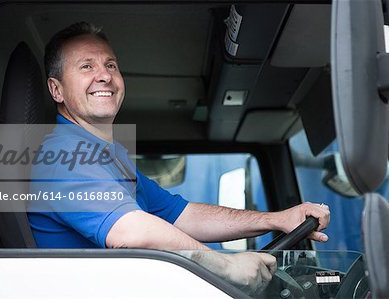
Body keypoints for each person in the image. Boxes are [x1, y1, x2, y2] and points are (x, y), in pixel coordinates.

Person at [27, 22, 330, 295]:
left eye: (111, 65)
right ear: (57, 90)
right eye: (86, 67)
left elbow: (183, 215)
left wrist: (275, 219)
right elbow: (132, 233)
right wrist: (227, 267)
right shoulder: (64, 155)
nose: (104, 75)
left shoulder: (108, 157)